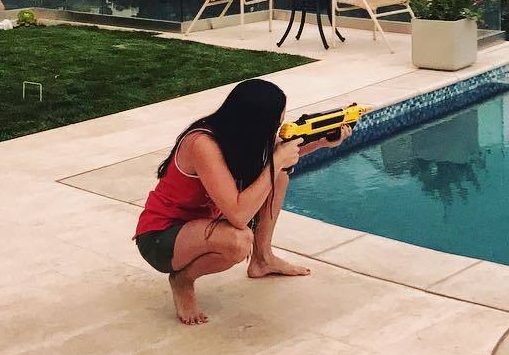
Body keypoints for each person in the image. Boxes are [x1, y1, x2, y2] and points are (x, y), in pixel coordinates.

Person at [133, 78, 351, 325]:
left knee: (278, 176)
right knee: (238, 241)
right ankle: (182, 280)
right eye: (276, 120)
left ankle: (262, 259)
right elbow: (238, 216)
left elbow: (274, 161)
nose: (279, 126)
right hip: (162, 237)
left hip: (202, 226)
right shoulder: (201, 144)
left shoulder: (237, 135)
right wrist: (277, 160)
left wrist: (321, 143)